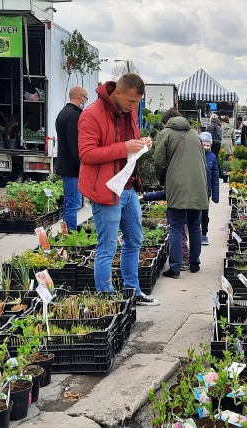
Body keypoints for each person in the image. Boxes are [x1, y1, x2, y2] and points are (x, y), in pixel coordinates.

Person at [78, 74, 158, 305]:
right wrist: (123, 148)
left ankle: (132, 291)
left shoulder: (129, 111)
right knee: (108, 246)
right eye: (132, 102)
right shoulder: (91, 114)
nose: (134, 107)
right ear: (118, 92)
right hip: (105, 190)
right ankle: (107, 299)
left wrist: (142, 142)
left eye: (137, 103)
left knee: (134, 240)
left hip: (128, 187)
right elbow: (86, 154)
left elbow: (130, 142)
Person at [153, 108, 208, 278]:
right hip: (198, 185)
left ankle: (175, 267)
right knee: (195, 226)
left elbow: (159, 161)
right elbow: (203, 161)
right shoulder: (195, 135)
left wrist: (163, 181)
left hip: (177, 185)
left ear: (166, 121)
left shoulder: (165, 134)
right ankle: (194, 263)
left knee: (176, 226)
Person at [55, 85, 87, 230]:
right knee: (73, 204)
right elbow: (75, 144)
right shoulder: (74, 115)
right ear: (79, 97)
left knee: (70, 203)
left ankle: (67, 232)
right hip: (72, 168)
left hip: (65, 164)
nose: (85, 101)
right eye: (85, 98)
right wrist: (82, 165)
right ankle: (70, 235)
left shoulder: (63, 113)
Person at [199, 132, 220, 245]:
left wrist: (215, 195)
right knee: (195, 213)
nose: (206, 147)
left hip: (206, 191)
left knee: (205, 213)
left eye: (208, 145)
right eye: (204, 145)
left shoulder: (212, 157)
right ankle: (196, 233)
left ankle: (204, 234)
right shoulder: (196, 156)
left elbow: (215, 177)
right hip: (196, 190)